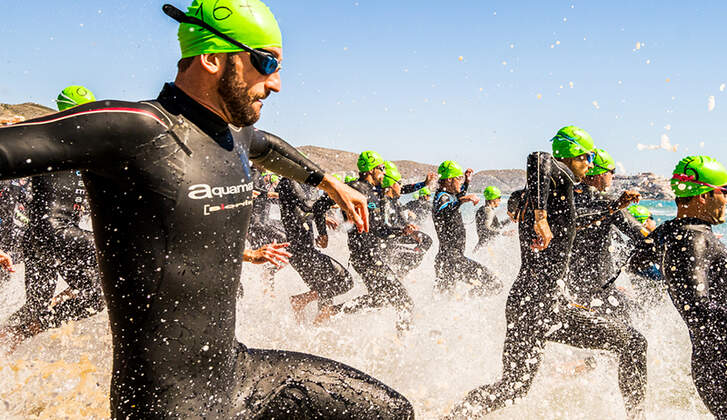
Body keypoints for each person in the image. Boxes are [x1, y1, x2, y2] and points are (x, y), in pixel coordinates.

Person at [0, 1, 414, 418]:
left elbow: (266, 146)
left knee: (393, 411)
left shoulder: (234, 135)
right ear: (212, 57)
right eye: (266, 62)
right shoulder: (134, 129)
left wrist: (329, 182)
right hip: (168, 404)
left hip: (236, 372)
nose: (277, 83)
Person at [449, 126, 645, 419]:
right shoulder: (556, 178)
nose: (590, 165)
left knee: (513, 387)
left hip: (525, 303)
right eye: (586, 157)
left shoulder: (550, 193)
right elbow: (538, 157)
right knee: (634, 343)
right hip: (546, 305)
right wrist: (540, 217)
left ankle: (453, 415)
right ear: (568, 155)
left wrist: (613, 208)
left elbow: (573, 225)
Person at [1, 85, 105, 352]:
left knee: (35, 307)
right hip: (58, 235)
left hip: (38, 241)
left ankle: (8, 337)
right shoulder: (49, 140)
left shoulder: (75, 147)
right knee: (101, 290)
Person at [628, 156, 727, 419]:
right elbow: (697, 309)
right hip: (720, 364)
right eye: (724, 192)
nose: (725, 201)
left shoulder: (669, 231)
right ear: (703, 196)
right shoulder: (692, 239)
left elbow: (634, 262)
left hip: (710, 363)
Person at [314, 151, 415, 332]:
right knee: (405, 302)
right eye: (381, 168)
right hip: (364, 254)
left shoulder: (374, 194)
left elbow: (378, 230)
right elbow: (318, 206)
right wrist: (323, 233)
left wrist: (403, 232)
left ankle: (331, 311)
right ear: (371, 169)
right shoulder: (352, 188)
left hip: (369, 255)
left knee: (380, 299)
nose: (383, 173)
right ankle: (403, 344)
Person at [567, 149, 647, 314]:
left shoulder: (565, 197)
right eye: (612, 172)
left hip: (568, 284)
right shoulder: (608, 204)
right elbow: (640, 235)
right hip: (600, 288)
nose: (613, 176)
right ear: (600, 174)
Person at [277, 175, 354, 324]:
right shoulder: (289, 181)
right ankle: (300, 300)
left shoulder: (295, 184)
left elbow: (301, 210)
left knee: (325, 291)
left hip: (302, 252)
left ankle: (309, 333)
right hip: (302, 253)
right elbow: (306, 205)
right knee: (345, 281)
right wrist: (334, 200)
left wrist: (322, 215)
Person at [432, 161, 502, 295]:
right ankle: (465, 302)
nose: (460, 181)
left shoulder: (448, 195)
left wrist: (467, 182)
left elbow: (458, 194)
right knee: (494, 284)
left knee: (444, 301)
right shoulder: (442, 198)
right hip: (452, 259)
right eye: (459, 178)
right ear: (449, 180)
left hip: (448, 260)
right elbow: (444, 210)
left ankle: (459, 308)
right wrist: (462, 200)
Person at [380, 161, 433, 277]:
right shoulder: (383, 202)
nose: (401, 187)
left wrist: (408, 227)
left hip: (396, 236)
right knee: (414, 257)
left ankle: (402, 271)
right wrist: (403, 230)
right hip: (386, 243)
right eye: (399, 183)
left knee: (426, 240)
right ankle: (398, 272)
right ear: (391, 184)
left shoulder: (395, 202)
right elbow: (382, 227)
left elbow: (406, 189)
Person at [474, 185, 511, 251]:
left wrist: (510, 219)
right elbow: (487, 227)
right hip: (487, 248)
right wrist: (503, 233)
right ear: (494, 199)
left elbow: (496, 226)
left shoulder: (481, 210)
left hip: (481, 246)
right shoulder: (489, 212)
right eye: (499, 197)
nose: (500, 200)